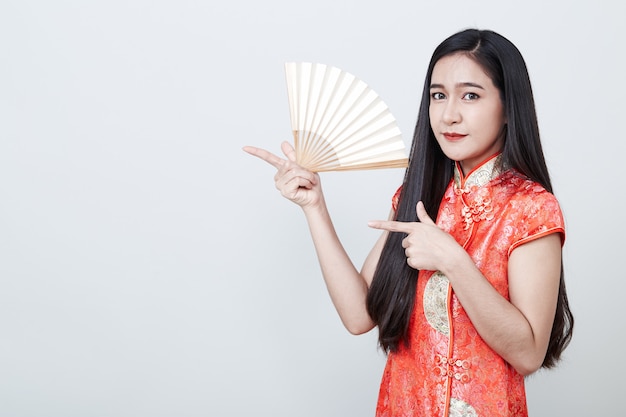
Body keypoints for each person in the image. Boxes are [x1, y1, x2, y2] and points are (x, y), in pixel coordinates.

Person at [243, 28, 573, 417]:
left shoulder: (530, 208)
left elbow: (529, 353)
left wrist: (453, 260)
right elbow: (358, 315)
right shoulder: (418, 195)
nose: (449, 114)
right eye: (438, 95)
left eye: (471, 95)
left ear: (507, 108)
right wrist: (314, 206)